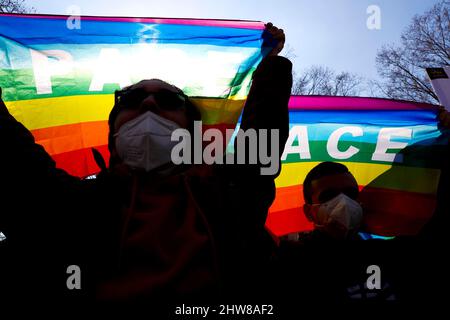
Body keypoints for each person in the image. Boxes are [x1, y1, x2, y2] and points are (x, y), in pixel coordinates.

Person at [0, 23, 292, 308]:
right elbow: (10, 158)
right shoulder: (69, 206)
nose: (149, 104)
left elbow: (263, 134)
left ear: (191, 134)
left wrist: (270, 64)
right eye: (131, 99)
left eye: (168, 101)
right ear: (114, 134)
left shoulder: (230, 196)